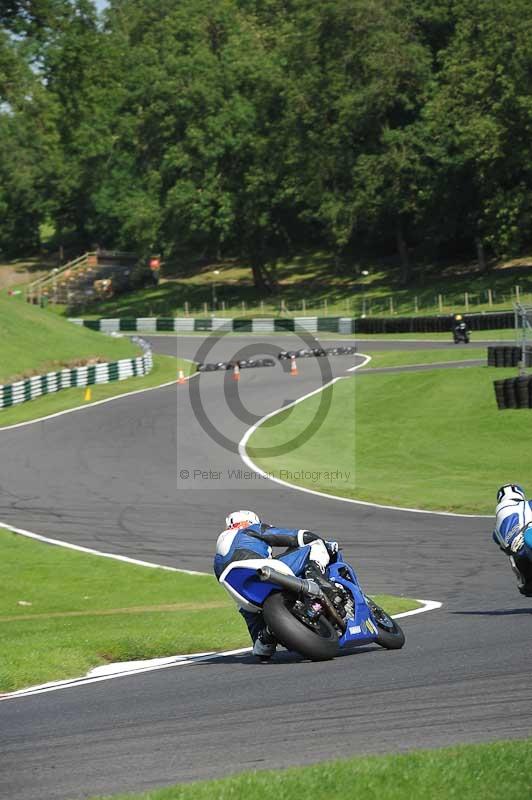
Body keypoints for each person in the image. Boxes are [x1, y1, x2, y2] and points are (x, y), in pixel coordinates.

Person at [214, 510, 339, 659]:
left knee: (247, 614)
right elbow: (294, 536)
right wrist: (321, 542)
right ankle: (319, 582)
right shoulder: (252, 529)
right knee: (315, 545)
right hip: (263, 569)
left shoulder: (220, 549)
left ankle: (263, 641)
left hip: (243, 591)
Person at [493, 484, 532, 596]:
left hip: (521, 558)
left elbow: (503, 546)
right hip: (527, 540)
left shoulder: (496, 531)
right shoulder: (526, 504)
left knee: (527, 588)